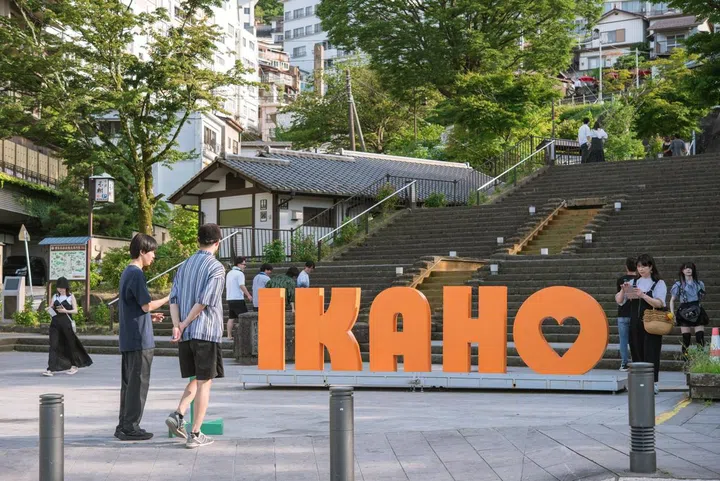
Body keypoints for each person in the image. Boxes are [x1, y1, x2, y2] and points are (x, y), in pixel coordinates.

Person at [166, 223, 226, 449]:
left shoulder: (185, 265)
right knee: (205, 383)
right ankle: (195, 433)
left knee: (196, 378)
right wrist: (185, 322)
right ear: (218, 243)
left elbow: (174, 298)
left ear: (198, 241)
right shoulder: (217, 268)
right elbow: (204, 301)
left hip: (187, 335)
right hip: (206, 331)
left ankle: (179, 414)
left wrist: (177, 326)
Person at [115, 233, 169, 441]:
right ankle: (131, 427)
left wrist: (148, 314)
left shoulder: (126, 272)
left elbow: (136, 306)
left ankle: (123, 425)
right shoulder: (137, 274)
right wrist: (169, 297)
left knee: (128, 385)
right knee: (138, 385)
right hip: (140, 339)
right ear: (142, 252)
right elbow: (146, 304)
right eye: (152, 252)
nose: (154, 256)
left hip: (129, 337)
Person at [627, 254, 667, 394]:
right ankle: (639, 382)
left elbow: (660, 303)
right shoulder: (633, 282)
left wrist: (643, 295)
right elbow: (623, 301)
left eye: (644, 266)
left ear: (651, 267)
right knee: (636, 351)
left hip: (651, 323)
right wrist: (624, 291)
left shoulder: (658, 283)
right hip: (635, 324)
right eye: (639, 266)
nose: (641, 269)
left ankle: (654, 383)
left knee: (652, 352)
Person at [43, 277, 93, 377]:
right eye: (59, 287)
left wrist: (65, 310)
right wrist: (49, 308)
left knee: (70, 344)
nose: (60, 289)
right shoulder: (55, 296)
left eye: (62, 288)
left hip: (66, 324)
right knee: (53, 345)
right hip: (55, 323)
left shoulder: (71, 297)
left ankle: (74, 365)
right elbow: (51, 307)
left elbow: (75, 310)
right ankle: (50, 368)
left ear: (66, 288)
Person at [670, 262, 709, 358]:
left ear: (693, 270)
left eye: (690, 268)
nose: (688, 270)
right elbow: (672, 300)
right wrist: (672, 314)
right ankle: (686, 360)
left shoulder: (699, 284)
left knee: (700, 337)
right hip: (684, 311)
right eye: (686, 268)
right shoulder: (678, 285)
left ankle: (700, 359)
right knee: (686, 339)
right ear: (682, 271)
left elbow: (702, 296)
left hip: (697, 309)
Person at [614, 257, 637, 372]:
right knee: (635, 340)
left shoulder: (621, 280)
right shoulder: (639, 279)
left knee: (623, 340)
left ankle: (624, 363)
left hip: (622, 314)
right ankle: (637, 361)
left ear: (626, 267)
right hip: (635, 314)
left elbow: (619, 298)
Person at [225, 256, 252, 341]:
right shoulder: (240, 273)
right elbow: (241, 285)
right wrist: (248, 295)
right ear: (239, 264)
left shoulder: (229, 273)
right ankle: (245, 336)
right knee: (244, 317)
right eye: (244, 264)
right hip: (238, 298)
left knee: (231, 317)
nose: (245, 266)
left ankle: (229, 335)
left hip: (230, 298)